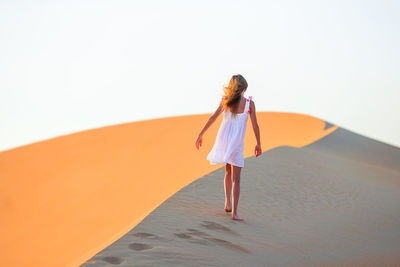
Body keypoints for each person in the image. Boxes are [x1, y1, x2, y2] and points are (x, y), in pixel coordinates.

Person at [195, 74, 262, 221]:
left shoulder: (226, 101)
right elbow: (255, 125)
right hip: (236, 142)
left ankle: (227, 202)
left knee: (228, 172)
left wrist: (201, 134)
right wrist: (258, 143)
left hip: (224, 140)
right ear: (244, 89)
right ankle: (235, 213)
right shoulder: (249, 103)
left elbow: (213, 117)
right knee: (236, 179)